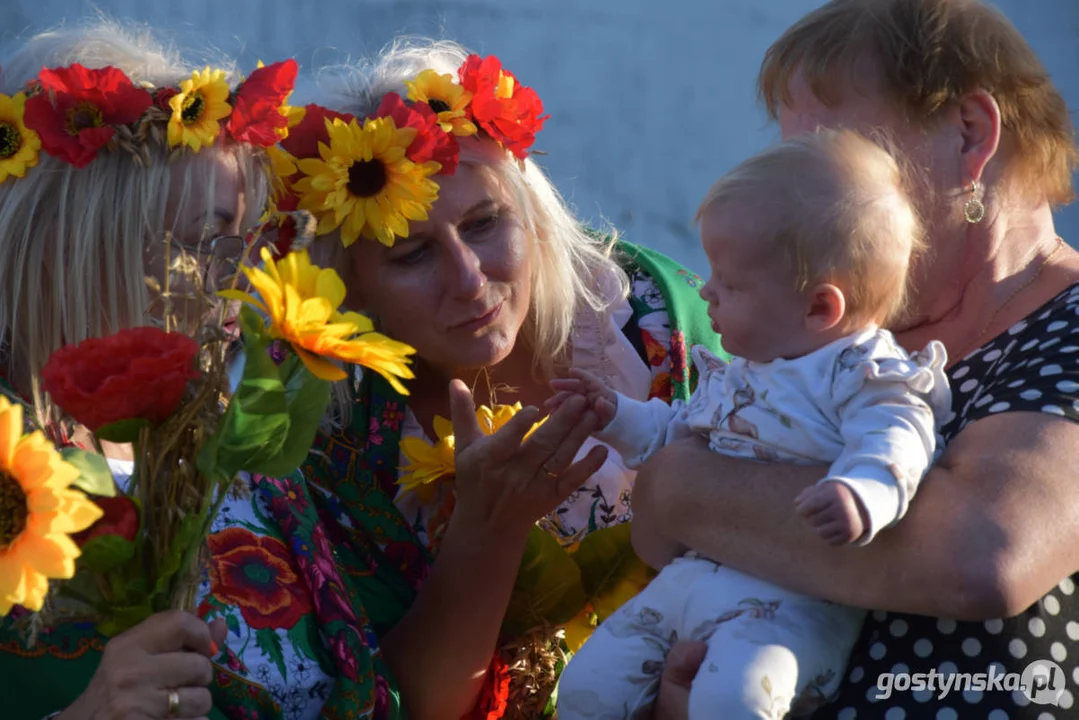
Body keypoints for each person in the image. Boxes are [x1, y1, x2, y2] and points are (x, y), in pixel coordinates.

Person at [176, 38, 722, 720]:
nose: (469, 281)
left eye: (486, 223)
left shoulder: (647, 320)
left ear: (532, 210)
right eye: (411, 254)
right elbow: (410, 706)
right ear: (348, 288)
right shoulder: (328, 441)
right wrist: (484, 531)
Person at [634, 1, 1079, 718]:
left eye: (834, 151)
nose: (802, 188)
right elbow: (657, 543)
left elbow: (984, 551)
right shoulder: (821, 332)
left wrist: (682, 485)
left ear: (970, 135)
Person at [554, 129, 951, 718]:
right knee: (587, 688)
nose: (707, 291)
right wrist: (616, 416)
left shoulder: (865, 372)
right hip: (691, 580)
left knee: (736, 699)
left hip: (789, 603)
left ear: (820, 307)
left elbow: (899, 436)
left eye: (730, 284)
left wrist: (862, 492)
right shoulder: (740, 370)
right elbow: (677, 440)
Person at [0, 21, 301, 719]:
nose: (240, 284)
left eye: (246, 245)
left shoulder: (242, 448)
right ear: (67, 249)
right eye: (205, 244)